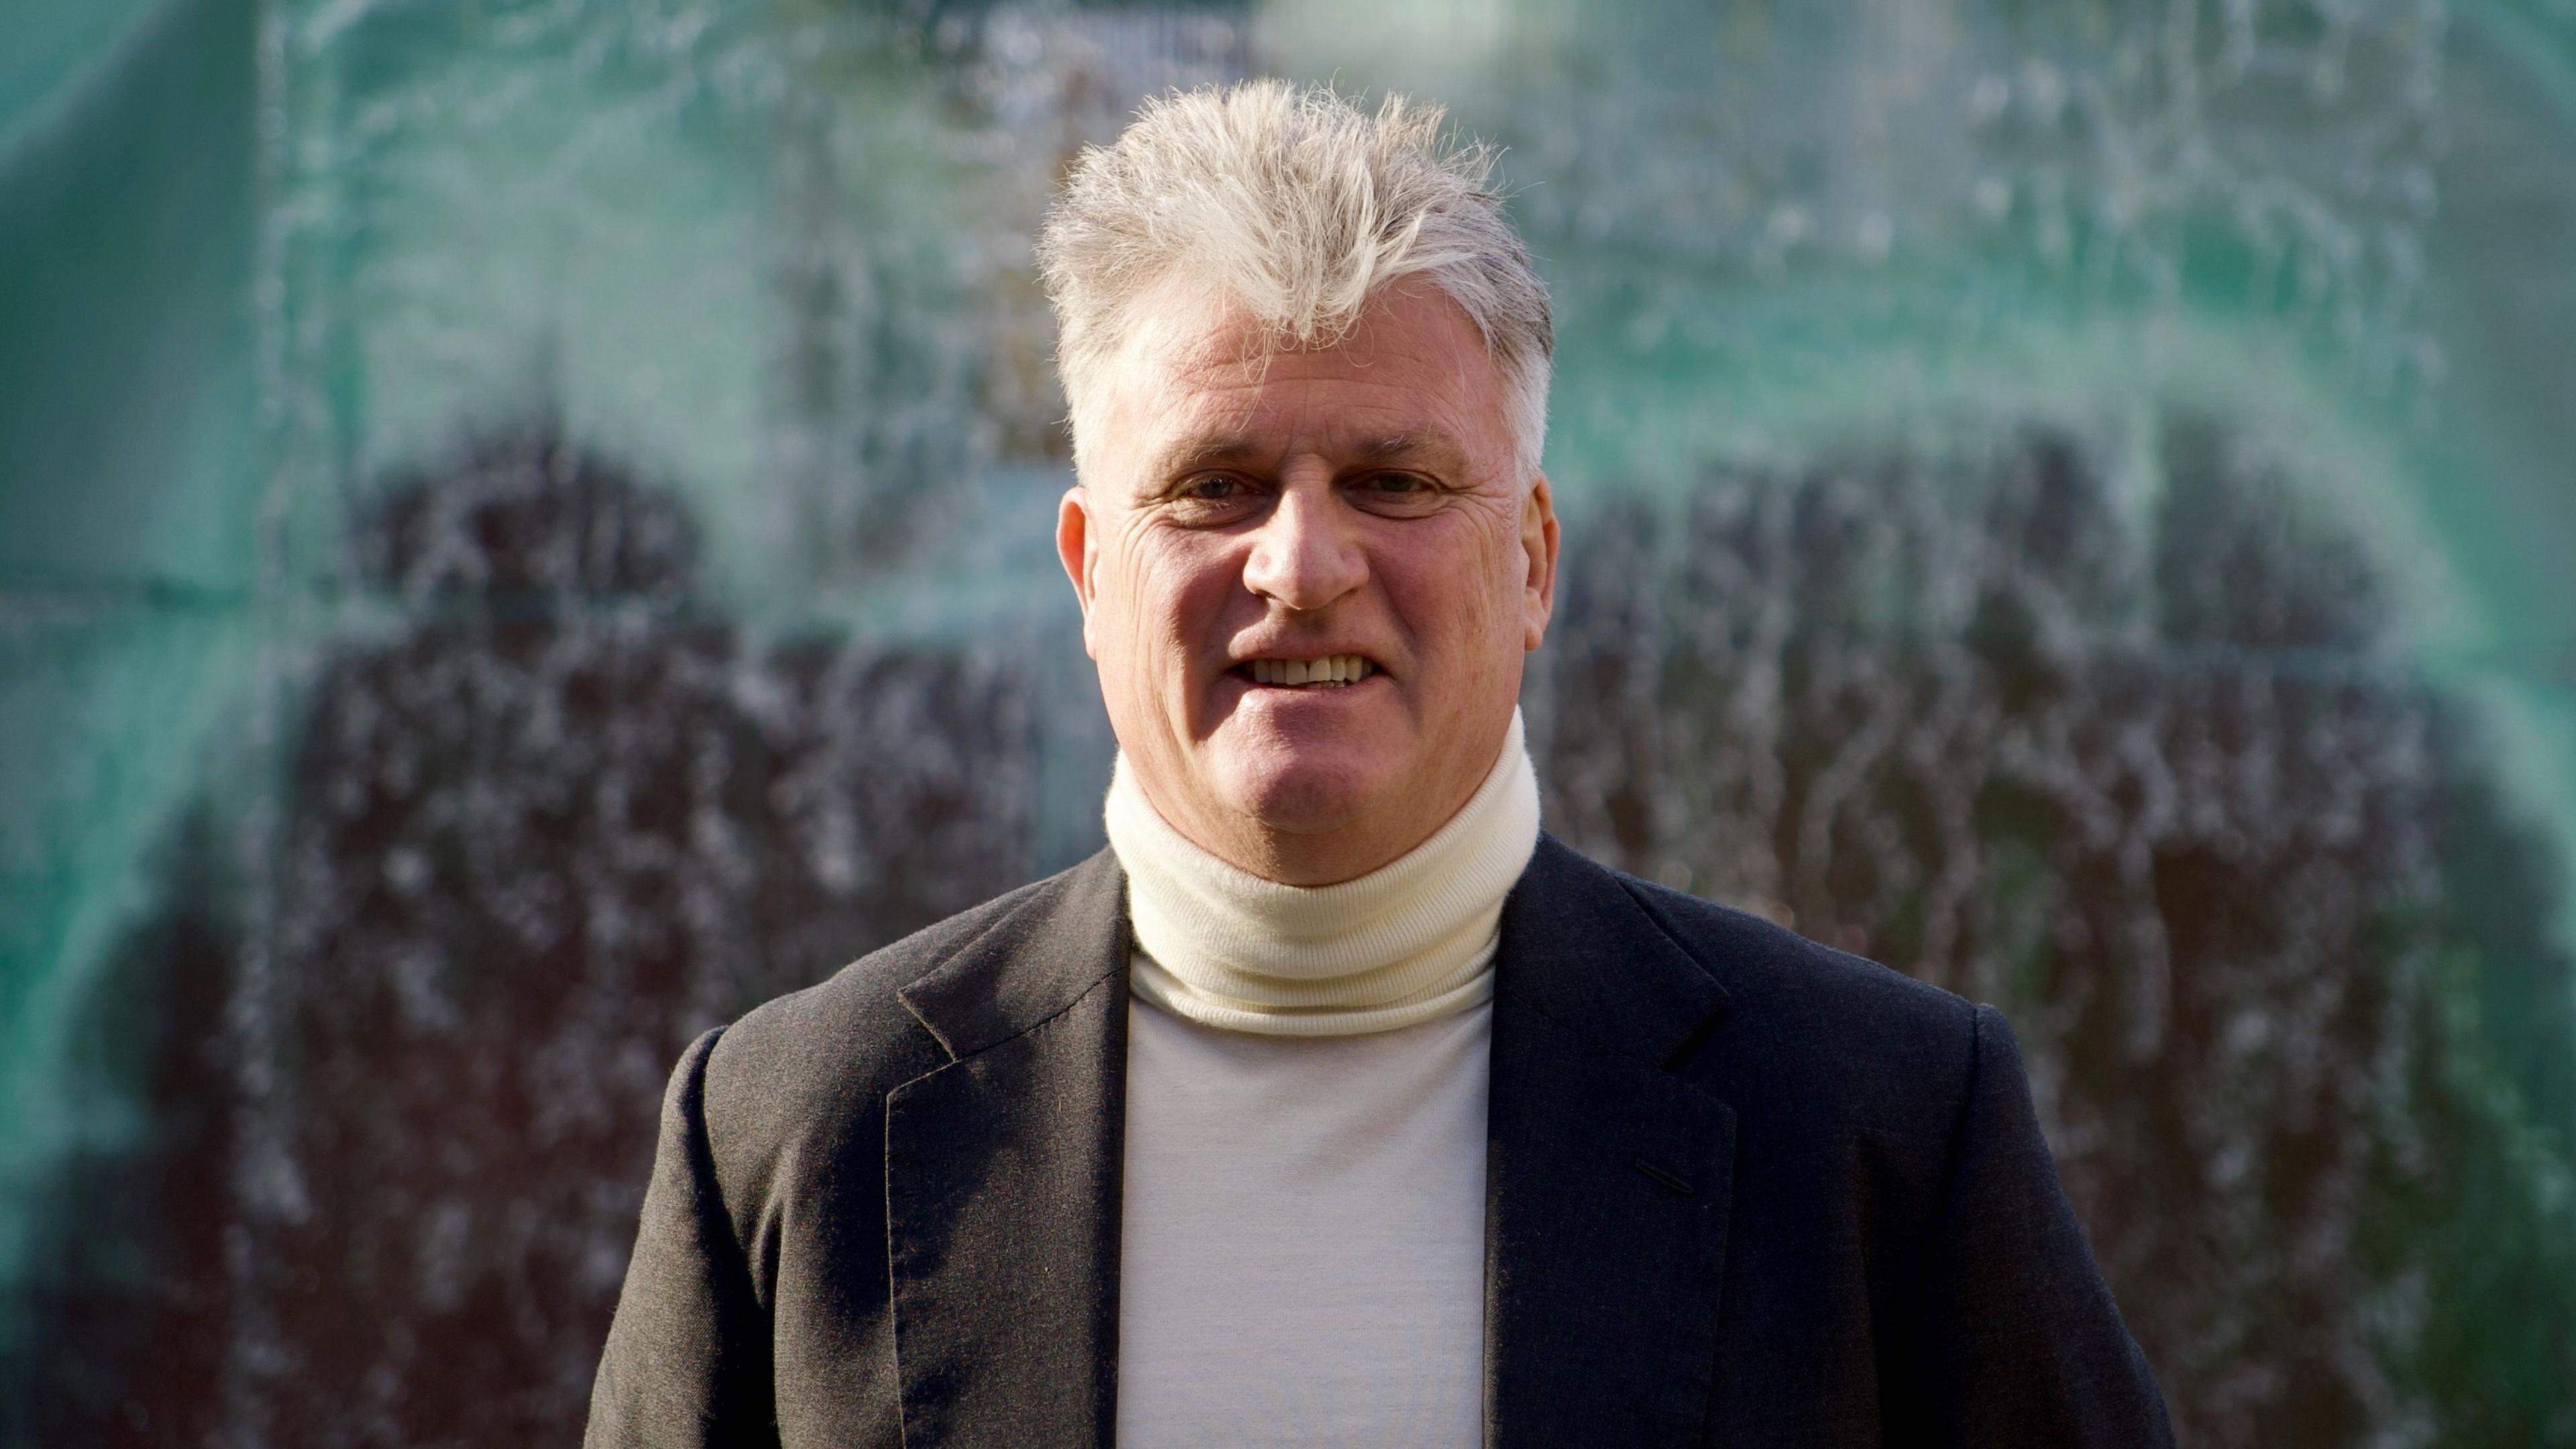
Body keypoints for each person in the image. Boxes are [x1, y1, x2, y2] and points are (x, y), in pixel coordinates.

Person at [585, 80, 2174, 1448]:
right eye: (1214, 485)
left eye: (1394, 480)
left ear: (1536, 560)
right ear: (1086, 572)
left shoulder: (1880, 1130)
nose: (1302, 562)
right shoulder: (795, 1136)